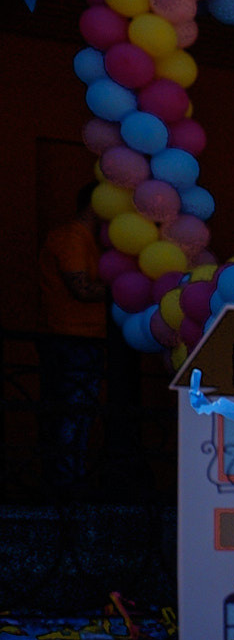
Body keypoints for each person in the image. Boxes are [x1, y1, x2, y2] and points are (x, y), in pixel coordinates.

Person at [37, 199, 110, 488]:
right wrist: (121, 290)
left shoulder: (88, 240)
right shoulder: (71, 238)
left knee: (80, 412)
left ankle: (71, 476)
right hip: (71, 338)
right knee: (72, 411)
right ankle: (66, 482)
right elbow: (81, 288)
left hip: (85, 337)